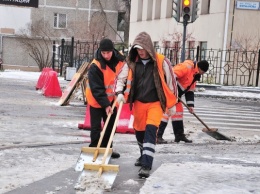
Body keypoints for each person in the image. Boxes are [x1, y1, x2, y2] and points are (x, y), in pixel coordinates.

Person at [114, 31, 178, 178]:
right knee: (139, 131)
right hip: (138, 103)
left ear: (148, 47)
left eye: (142, 48)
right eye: (138, 49)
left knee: (150, 132)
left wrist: (172, 103)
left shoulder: (161, 61)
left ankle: (146, 165)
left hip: (155, 103)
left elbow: (171, 83)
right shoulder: (131, 62)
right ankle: (143, 155)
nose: (140, 52)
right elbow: (120, 79)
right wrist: (119, 93)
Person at [85, 38, 126, 158]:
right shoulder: (95, 66)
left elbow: (123, 78)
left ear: (113, 50)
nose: (106, 55)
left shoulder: (120, 62)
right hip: (96, 100)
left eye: (108, 52)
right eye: (103, 53)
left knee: (111, 125)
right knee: (96, 126)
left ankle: (106, 148)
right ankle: (94, 148)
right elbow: (97, 89)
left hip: (112, 100)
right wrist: (105, 105)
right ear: (100, 52)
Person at [157, 60, 209, 144]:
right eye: (202, 72)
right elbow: (170, 76)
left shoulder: (195, 75)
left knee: (178, 113)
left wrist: (190, 105)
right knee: (166, 114)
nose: (202, 74)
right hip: (169, 93)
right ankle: (157, 136)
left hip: (177, 96)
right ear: (200, 68)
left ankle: (179, 135)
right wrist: (172, 90)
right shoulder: (186, 67)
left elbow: (190, 91)